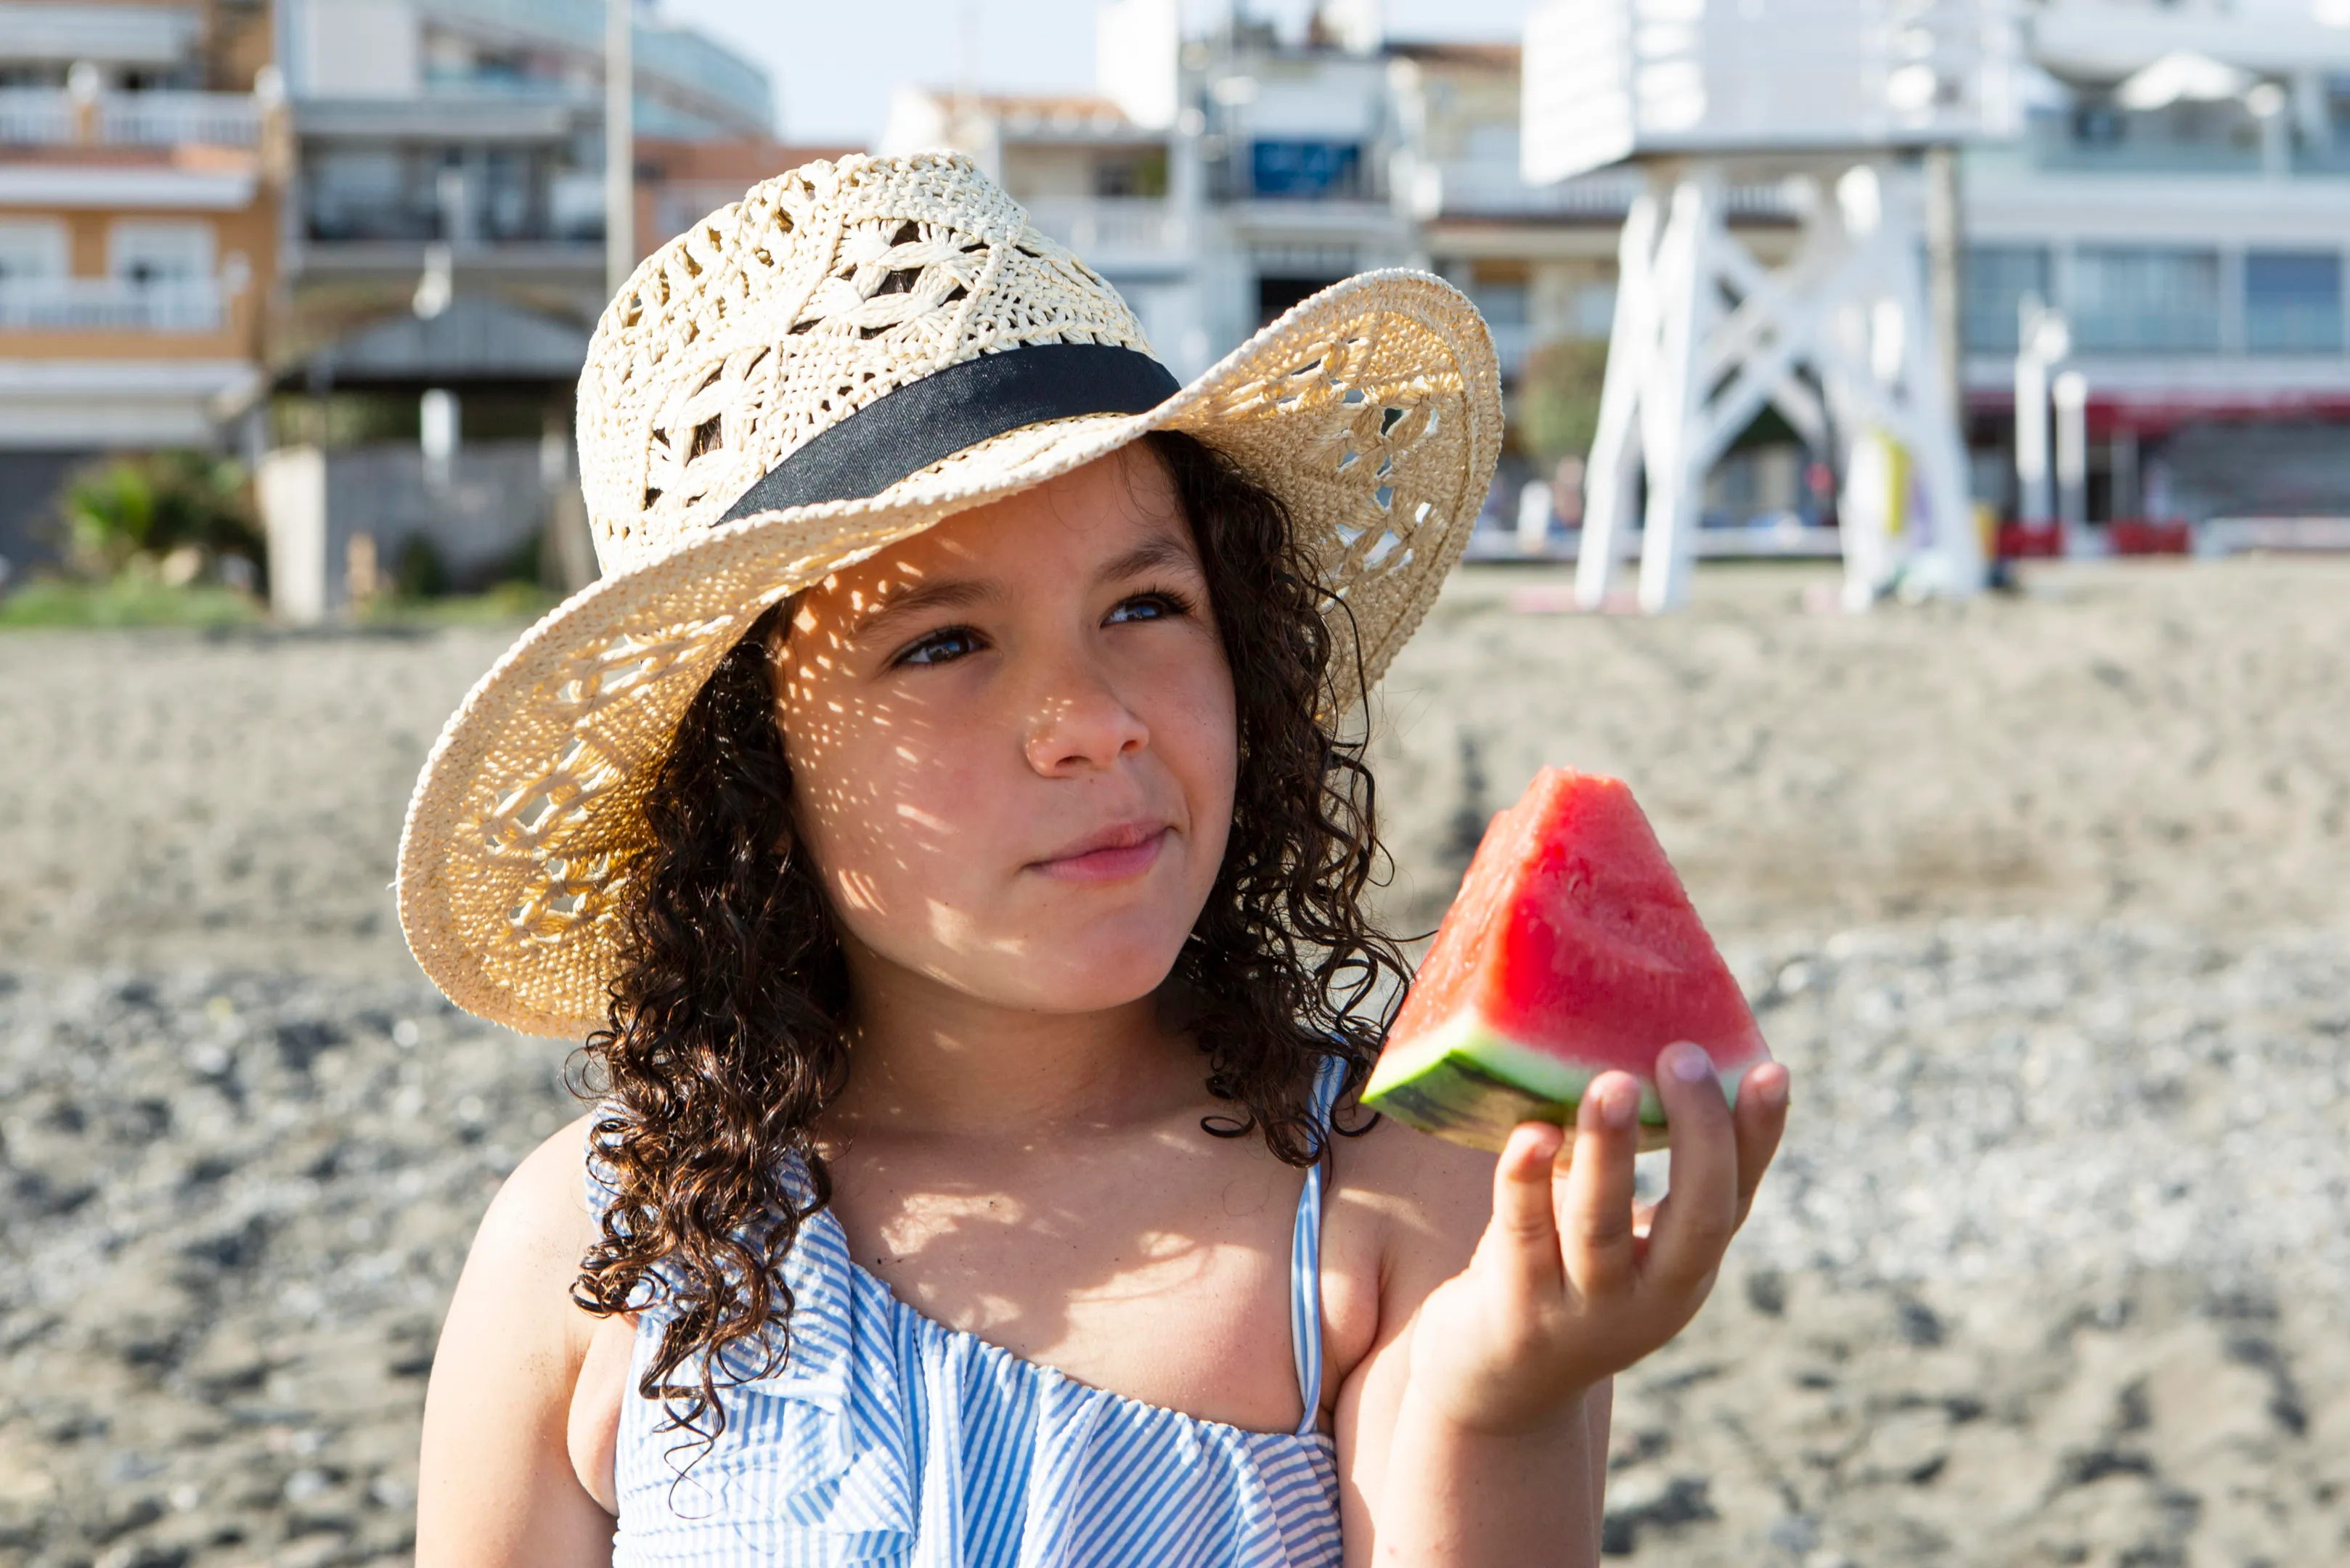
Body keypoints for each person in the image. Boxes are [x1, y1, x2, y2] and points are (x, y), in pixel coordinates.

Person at [404, 152, 1788, 1566]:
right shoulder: (592, 1260)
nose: (1092, 722)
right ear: (744, 781)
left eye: (1144, 604)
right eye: (943, 642)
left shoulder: (1389, 1208)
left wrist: (1502, 1408)